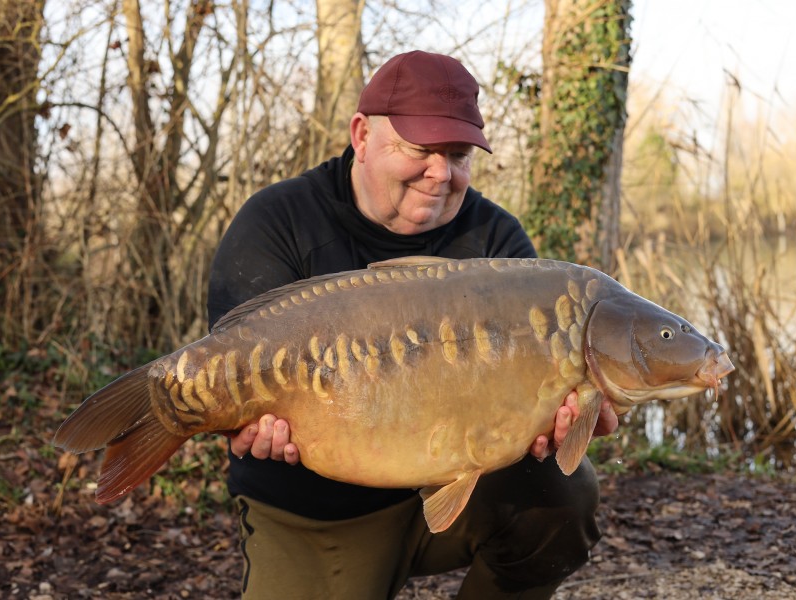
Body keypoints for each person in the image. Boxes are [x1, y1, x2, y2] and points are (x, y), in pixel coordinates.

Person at [208, 50, 619, 599]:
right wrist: (246, 418)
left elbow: (549, 401)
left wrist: (565, 418)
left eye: (458, 155)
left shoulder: (499, 248)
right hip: (316, 513)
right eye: (421, 150)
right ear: (361, 136)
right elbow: (232, 375)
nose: (441, 174)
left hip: (466, 492)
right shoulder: (278, 223)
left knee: (566, 496)